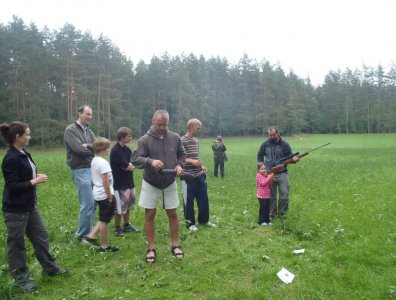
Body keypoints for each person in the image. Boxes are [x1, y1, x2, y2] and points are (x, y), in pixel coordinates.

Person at [1, 122, 68, 293]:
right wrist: (34, 181)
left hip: (30, 207)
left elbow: (23, 176)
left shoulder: (24, 153)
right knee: (17, 245)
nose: (30, 137)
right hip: (16, 210)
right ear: (18, 137)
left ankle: (50, 268)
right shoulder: (10, 158)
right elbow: (13, 186)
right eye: (27, 134)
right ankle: (21, 280)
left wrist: (33, 176)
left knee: (41, 237)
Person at [131, 110, 185, 263]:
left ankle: (175, 245)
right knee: (150, 215)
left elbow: (182, 154)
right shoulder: (144, 140)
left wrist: (180, 165)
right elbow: (135, 158)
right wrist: (150, 162)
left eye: (164, 124)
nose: (161, 127)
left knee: (173, 214)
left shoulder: (175, 138)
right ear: (153, 121)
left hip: (169, 181)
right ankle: (151, 248)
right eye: (159, 124)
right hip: (151, 182)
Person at [64, 105, 97, 245]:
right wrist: (89, 147)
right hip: (80, 170)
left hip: (92, 168)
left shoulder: (89, 131)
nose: (89, 117)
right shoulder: (70, 130)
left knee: (94, 203)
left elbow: (98, 146)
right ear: (79, 114)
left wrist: (86, 146)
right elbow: (78, 150)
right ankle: (82, 235)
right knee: (87, 203)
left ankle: (87, 233)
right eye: (87, 114)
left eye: (91, 114)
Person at [83, 137, 119, 252]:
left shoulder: (94, 160)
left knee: (106, 216)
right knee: (105, 221)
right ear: (103, 149)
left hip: (97, 193)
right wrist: (109, 196)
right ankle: (104, 246)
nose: (108, 150)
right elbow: (105, 181)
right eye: (107, 148)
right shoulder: (103, 163)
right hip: (104, 194)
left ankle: (91, 236)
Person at [181, 118, 216, 232]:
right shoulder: (181, 141)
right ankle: (190, 223)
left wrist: (202, 166)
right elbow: (179, 158)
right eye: (198, 127)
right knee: (189, 200)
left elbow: (196, 158)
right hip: (187, 175)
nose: (199, 129)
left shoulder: (196, 141)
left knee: (203, 199)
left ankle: (204, 220)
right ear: (191, 127)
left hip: (200, 175)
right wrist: (191, 161)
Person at [257, 126, 299, 218]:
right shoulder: (265, 144)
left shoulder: (285, 145)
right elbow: (260, 156)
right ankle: (272, 214)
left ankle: (282, 214)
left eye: (273, 135)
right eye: (270, 135)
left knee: (284, 194)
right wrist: (262, 168)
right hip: (269, 174)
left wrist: (294, 160)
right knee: (271, 196)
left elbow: (290, 158)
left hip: (282, 173)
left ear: (278, 133)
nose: (271, 137)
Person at [110, 127, 139, 237]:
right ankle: (117, 228)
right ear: (122, 137)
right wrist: (129, 166)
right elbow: (126, 166)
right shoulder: (115, 151)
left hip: (129, 182)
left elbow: (133, 163)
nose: (131, 138)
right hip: (119, 184)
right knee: (119, 207)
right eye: (128, 136)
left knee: (128, 206)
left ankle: (126, 225)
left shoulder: (127, 150)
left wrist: (130, 166)